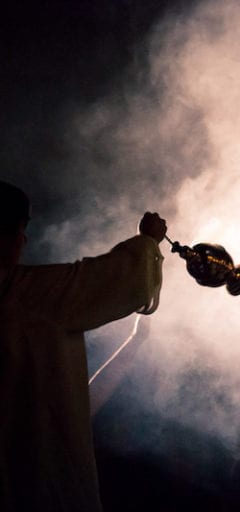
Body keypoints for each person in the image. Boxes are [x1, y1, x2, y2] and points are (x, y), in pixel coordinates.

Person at [0, 180, 166, 511]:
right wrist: (148, 241)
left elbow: (77, 401)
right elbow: (113, 278)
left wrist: (135, 342)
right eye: (19, 230)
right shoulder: (25, 294)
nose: (24, 240)